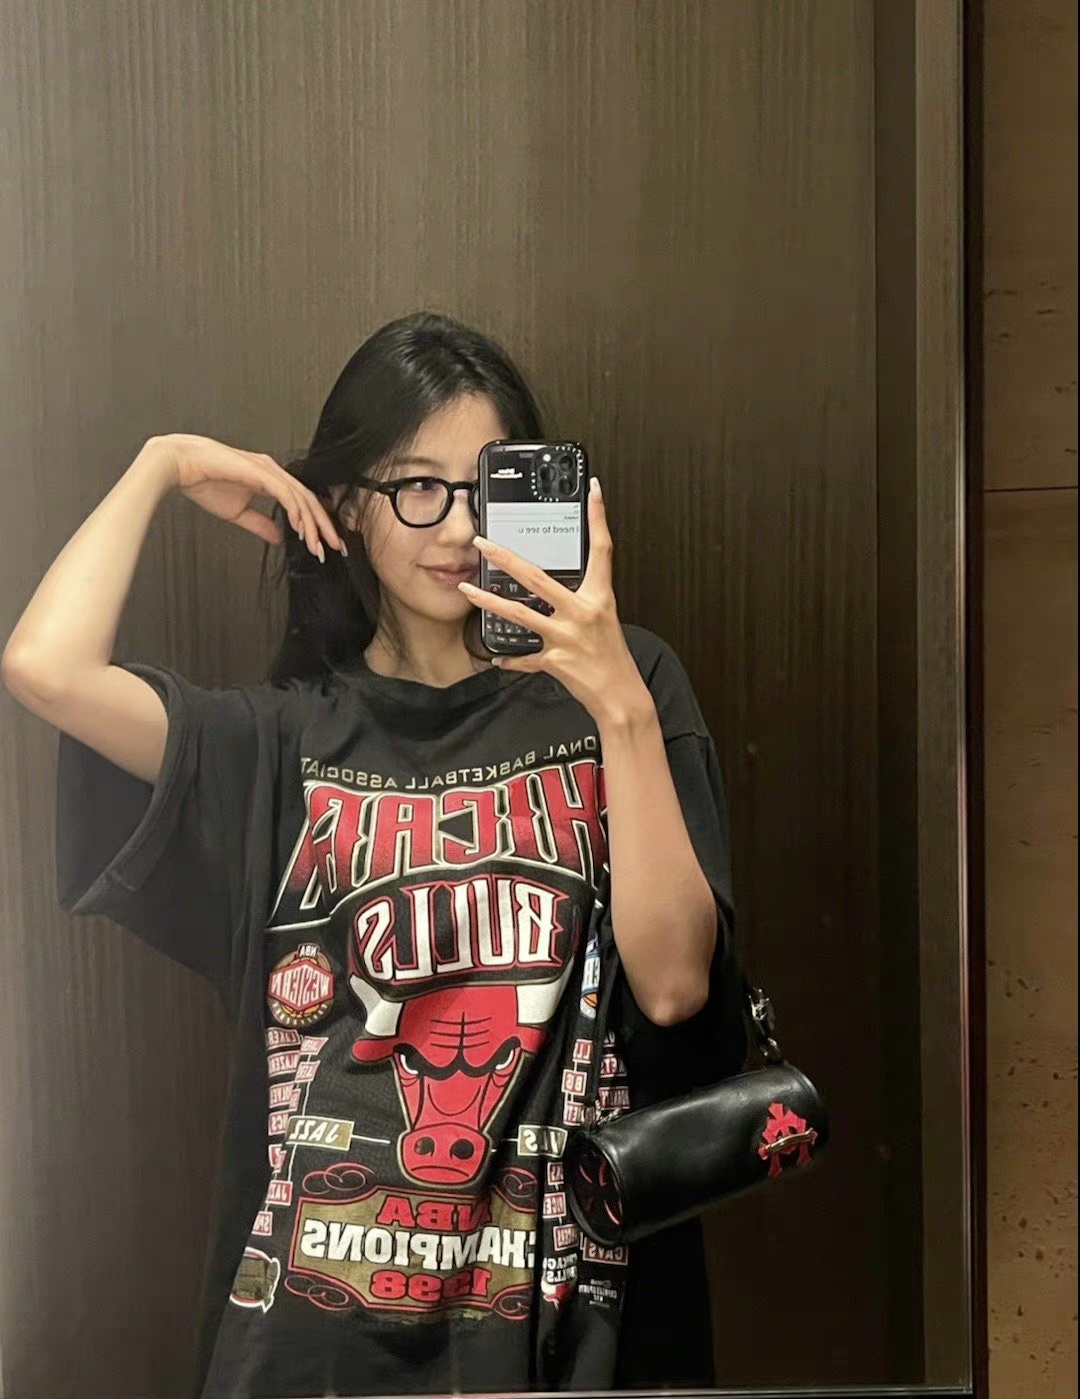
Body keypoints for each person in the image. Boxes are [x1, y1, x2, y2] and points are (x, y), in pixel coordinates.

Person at [2, 311, 747, 1398]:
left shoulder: (623, 689)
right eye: (416, 487)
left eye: (487, 486)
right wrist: (162, 465)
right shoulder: (283, 740)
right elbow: (45, 667)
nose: (458, 527)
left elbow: (676, 986)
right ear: (350, 504)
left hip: (568, 1337)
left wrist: (616, 700)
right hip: (312, 1344)